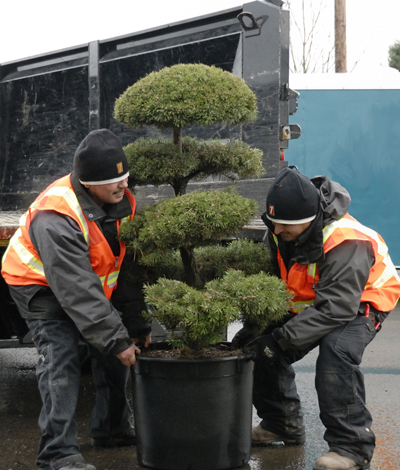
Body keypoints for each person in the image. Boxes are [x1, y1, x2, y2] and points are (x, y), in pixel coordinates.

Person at [1, 129, 151, 470]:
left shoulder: (122, 202)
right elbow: (75, 288)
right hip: (38, 286)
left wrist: (134, 326)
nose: (123, 186)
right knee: (61, 359)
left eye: (125, 177)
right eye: (114, 181)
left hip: (82, 285)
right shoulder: (56, 215)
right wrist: (115, 338)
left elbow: (125, 270)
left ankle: (111, 429)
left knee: (113, 353)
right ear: (88, 183)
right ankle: (58, 452)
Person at [236, 167, 400, 470]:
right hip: (315, 300)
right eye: (274, 224)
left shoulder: (346, 241)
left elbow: (337, 308)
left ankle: (351, 448)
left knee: (336, 354)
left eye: (285, 226)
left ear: (308, 220)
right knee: (254, 344)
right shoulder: (281, 230)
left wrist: (282, 340)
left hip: (363, 301)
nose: (277, 231)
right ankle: (280, 423)